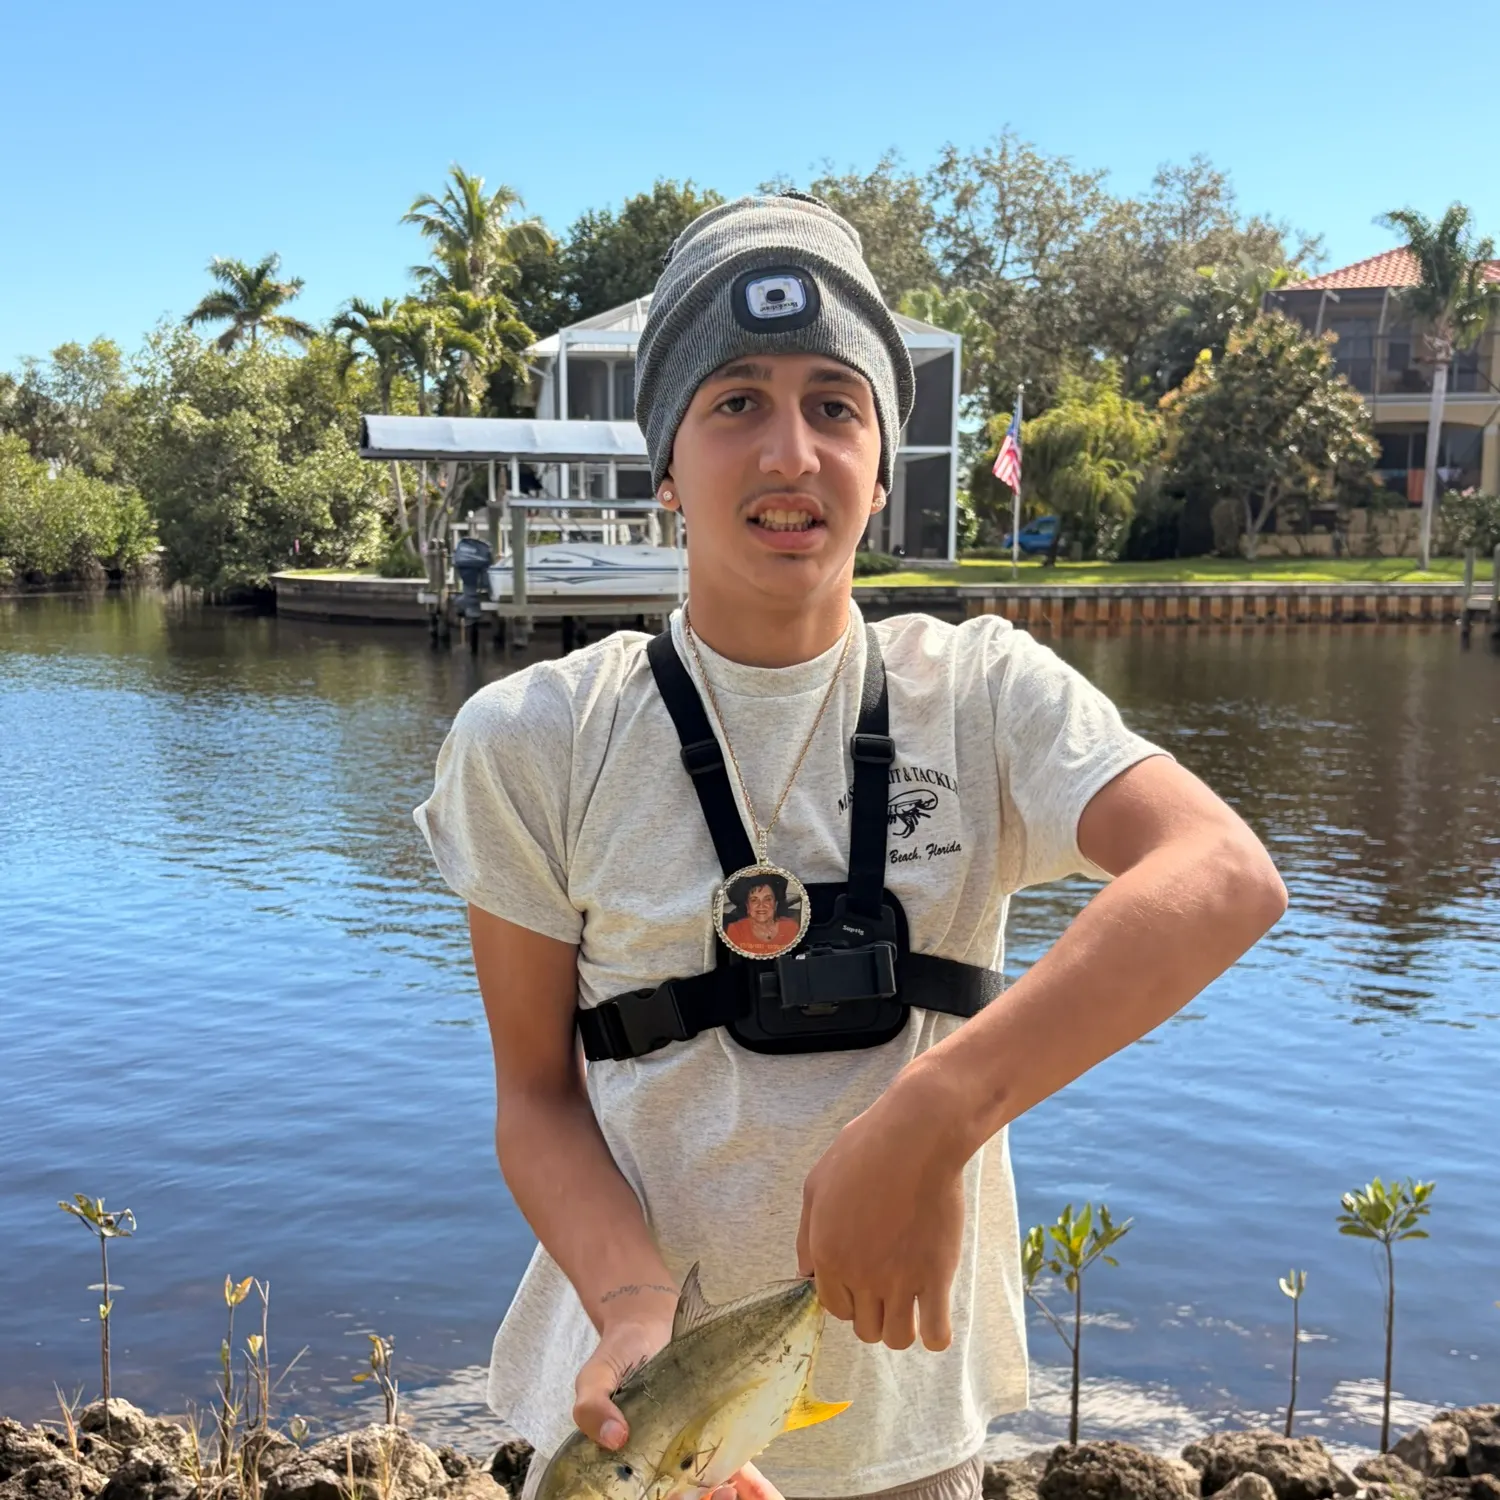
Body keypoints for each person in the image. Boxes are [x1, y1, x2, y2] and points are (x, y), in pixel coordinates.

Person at [413, 192, 1288, 1500]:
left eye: (836, 405)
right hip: (637, 1435)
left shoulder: (984, 697)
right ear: (665, 464)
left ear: (881, 466)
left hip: (908, 1441)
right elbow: (536, 1097)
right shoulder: (535, 737)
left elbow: (1221, 875)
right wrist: (636, 1308)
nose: (792, 454)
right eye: (735, 403)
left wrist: (938, 1111)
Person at [723, 878, 800, 956]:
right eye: (754, 900)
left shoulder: (791, 927)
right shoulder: (736, 930)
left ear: (775, 904)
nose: (761, 905)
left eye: (767, 899)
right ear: (748, 906)